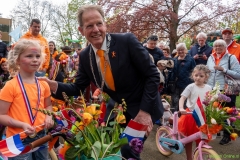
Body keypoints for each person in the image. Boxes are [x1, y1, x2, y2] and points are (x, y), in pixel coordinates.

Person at [40, 4, 163, 159]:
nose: (96, 29)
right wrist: (54, 85)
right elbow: (78, 87)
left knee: (128, 150)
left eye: (99, 23)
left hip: (142, 107)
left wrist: (145, 113)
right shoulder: (85, 56)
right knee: (106, 149)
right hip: (117, 111)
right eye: (89, 26)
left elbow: (152, 75)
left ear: (105, 24)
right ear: (81, 30)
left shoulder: (127, 41)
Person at [0, 39, 54, 159]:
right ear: (17, 60)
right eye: (29, 56)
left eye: (37, 56)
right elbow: (1, 115)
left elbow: (48, 106)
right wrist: (22, 125)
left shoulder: (43, 84)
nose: (35, 59)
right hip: (19, 139)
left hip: (41, 136)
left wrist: (49, 116)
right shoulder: (11, 86)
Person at [206, 39, 240, 145]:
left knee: (228, 113)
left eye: (220, 46)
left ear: (225, 47)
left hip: (227, 89)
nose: (217, 48)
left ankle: (228, 136)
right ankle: (219, 131)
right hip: (214, 89)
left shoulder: (231, 57)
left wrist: (223, 70)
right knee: (217, 113)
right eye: (215, 46)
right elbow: (208, 72)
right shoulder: (211, 58)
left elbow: (238, 74)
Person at [178, 64, 212, 160]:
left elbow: (211, 100)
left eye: (201, 76)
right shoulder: (191, 86)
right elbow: (182, 98)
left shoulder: (209, 88)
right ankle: (189, 158)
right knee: (189, 139)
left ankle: (198, 156)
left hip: (203, 116)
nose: (198, 78)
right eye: (196, 75)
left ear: (206, 77)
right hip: (191, 115)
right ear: (192, 75)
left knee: (201, 139)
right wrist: (181, 108)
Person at [170, 43, 196, 111]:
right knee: (174, 102)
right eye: (179, 50)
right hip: (175, 84)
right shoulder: (174, 60)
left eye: (182, 49)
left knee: (184, 102)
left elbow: (194, 71)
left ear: (185, 50)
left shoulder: (190, 60)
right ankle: (174, 117)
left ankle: (183, 118)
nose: (180, 51)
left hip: (186, 84)